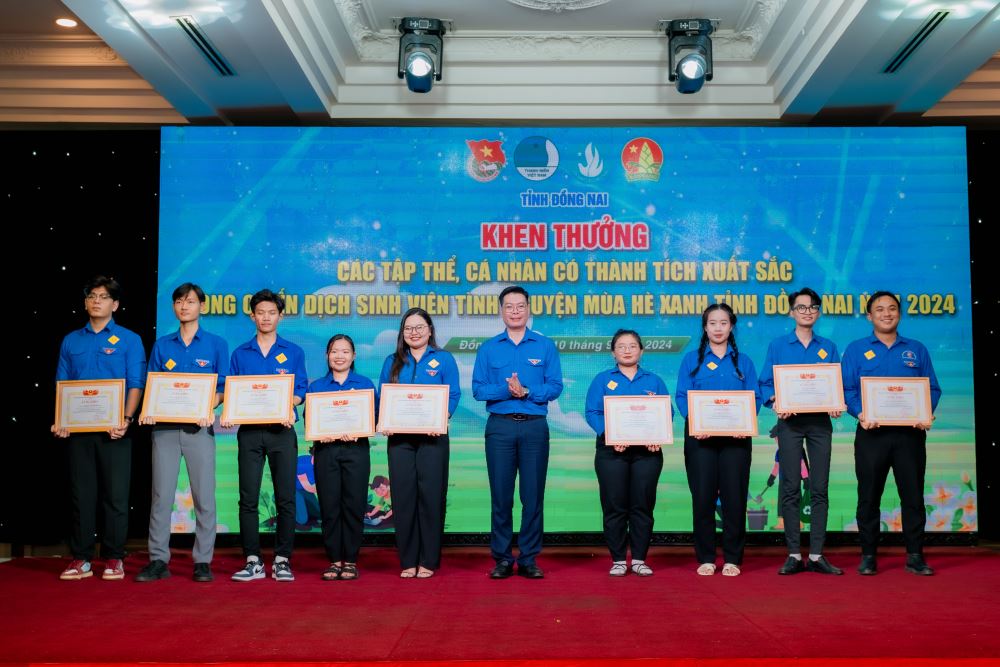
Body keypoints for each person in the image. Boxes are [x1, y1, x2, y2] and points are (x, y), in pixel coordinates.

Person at [52, 276, 146, 581]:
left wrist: (126, 420)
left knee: (116, 497)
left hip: (115, 431)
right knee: (81, 496)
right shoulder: (71, 340)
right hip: (78, 431)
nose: (97, 301)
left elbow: (136, 383)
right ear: (85, 302)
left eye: (104, 297)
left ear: (115, 305)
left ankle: (114, 557)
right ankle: (81, 558)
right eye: (92, 296)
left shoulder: (129, 339)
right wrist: (61, 420)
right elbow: (62, 383)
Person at [842, 291, 941, 576]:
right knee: (868, 496)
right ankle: (868, 556)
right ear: (869, 316)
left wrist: (925, 411)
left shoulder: (917, 349)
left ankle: (915, 556)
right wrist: (860, 413)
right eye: (880, 309)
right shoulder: (856, 349)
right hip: (871, 435)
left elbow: (932, 388)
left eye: (892, 308)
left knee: (913, 497)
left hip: (910, 436)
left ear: (899, 313)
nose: (887, 313)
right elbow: (847, 389)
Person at [136, 282, 227, 583]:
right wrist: (149, 408)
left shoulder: (216, 344)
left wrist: (208, 406)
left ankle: (203, 561)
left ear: (202, 306)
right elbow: (153, 383)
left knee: (204, 497)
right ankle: (158, 559)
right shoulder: (163, 345)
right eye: (178, 302)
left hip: (199, 430)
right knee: (161, 496)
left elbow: (223, 386)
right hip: (164, 430)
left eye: (190, 301)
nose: (184, 306)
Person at [472, 286, 563, 579]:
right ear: (501, 311)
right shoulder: (488, 348)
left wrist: (527, 391)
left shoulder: (545, 346)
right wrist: (507, 390)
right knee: (501, 496)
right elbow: (478, 390)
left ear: (528, 309)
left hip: (535, 427)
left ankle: (528, 558)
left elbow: (555, 386)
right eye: (509, 306)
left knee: (532, 496)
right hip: (500, 427)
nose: (515, 311)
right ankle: (501, 558)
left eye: (520, 306)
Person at [222, 289, 308, 582]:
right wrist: (229, 412)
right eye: (261, 312)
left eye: (272, 312)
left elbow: (300, 390)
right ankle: (253, 560)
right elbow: (232, 390)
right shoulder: (240, 353)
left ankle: (282, 560)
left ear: (280, 316)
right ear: (252, 316)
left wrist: (288, 404)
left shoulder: (293, 351)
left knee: (286, 498)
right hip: (249, 433)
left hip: (282, 432)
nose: (266, 317)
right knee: (248, 498)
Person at [758, 287, 843, 576]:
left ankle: (817, 555)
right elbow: (765, 384)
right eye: (801, 307)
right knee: (790, 487)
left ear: (818, 312)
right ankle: (794, 554)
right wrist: (775, 403)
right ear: (791, 312)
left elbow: (836, 383)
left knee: (819, 487)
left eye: (812, 307)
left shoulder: (828, 346)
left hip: (820, 424)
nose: (807, 312)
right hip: (790, 424)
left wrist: (836, 402)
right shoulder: (778, 345)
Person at [675, 303, 760, 577]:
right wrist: (694, 421)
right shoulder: (691, 360)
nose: (718, 328)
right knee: (703, 498)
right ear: (705, 327)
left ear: (731, 326)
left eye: (723, 323)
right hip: (701, 440)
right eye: (713, 323)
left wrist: (746, 423)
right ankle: (707, 557)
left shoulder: (744, 362)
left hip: (736, 440)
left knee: (735, 499)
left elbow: (755, 397)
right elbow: (682, 396)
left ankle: (733, 558)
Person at [378, 308, 460, 579]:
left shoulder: (444, 359)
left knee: (431, 497)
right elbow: (383, 397)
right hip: (399, 441)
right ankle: (408, 559)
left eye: (419, 327)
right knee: (403, 498)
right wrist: (384, 419)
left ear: (430, 329)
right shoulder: (392, 361)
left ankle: (428, 559)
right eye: (408, 328)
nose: (414, 332)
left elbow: (453, 394)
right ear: (402, 333)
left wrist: (442, 416)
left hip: (433, 440)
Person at [584, 329, 670, 577]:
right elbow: (592, 412)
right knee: (614, 505)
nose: (627, 350)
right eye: (621, 346)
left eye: (633, 346)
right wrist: (610, 435)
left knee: (643, 505)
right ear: (613, 352)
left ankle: (640, 559)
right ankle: (619, 559)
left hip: (647, 453)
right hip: (611, 453)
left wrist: (657, 436)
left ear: (641, 351)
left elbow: (667, 412)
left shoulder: (654, 381)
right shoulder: (602, 380)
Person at [307, 334, 376, 581]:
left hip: (356, 451)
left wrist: (360, 429)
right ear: (327, 355)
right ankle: (334, 560)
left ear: (353, 356)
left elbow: (375, 417)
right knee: (329, 506)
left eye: (345, 351)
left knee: (354, 505)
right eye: (335, 351)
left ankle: (351, 560)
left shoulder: (365, 384)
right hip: (326, 451)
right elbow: (309, 420)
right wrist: (320, 433)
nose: (339, 356)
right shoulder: (317, 387)